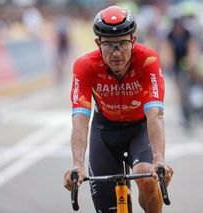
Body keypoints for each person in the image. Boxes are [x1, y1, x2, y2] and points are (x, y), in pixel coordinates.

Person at [63, 6, 173, 213]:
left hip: (139, 129)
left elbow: (155, 114)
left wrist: (159, 159)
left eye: (122, 43)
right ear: (98, 43)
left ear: (133, 40)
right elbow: (79, 118)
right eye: (109, 45)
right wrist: (77, 164)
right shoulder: (85, 66)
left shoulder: (147, 59)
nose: (116, 53)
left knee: (147, 176)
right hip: (104, 132)